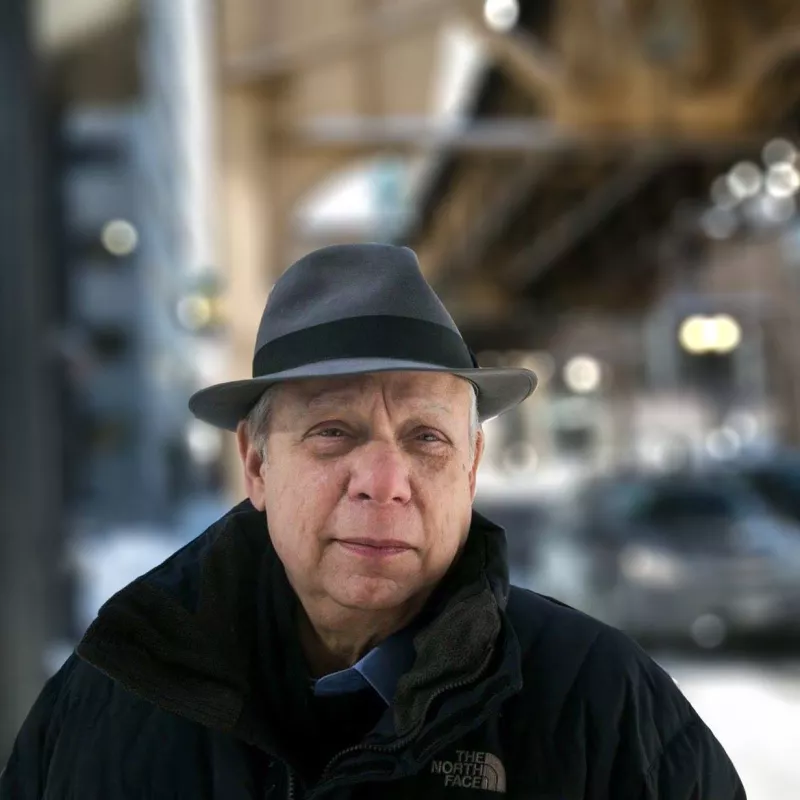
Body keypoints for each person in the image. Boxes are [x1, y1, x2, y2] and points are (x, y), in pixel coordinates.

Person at [1, 244, 745, 799]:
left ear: (472, 466)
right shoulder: (110, 696)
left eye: (426, 439)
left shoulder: (607, 706)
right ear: (256, 465)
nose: (384, 485)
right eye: (333, 432)